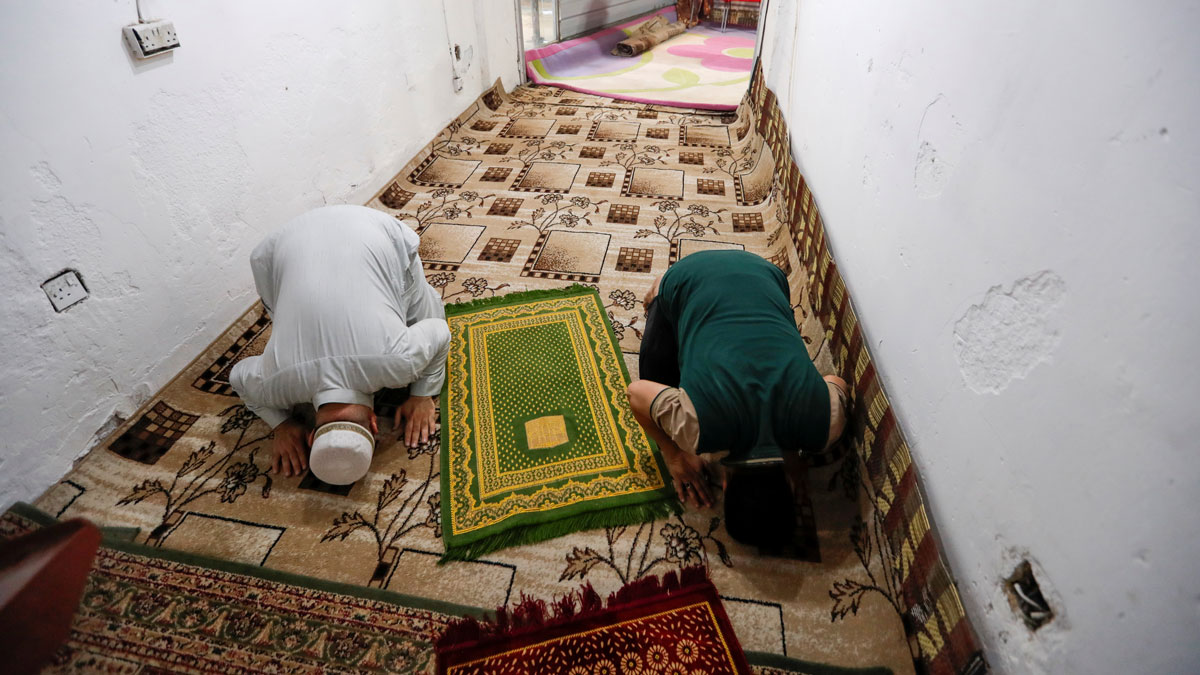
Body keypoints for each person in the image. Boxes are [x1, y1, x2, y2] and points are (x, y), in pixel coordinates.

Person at [626, 250, 848, 547]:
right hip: (690, 275)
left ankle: (671, 291)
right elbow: (636, 391)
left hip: (767, 275)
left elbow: (837, 382)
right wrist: (675, 455)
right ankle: (662, 288)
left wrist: (798, 440)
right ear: (726, 484)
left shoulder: (825, 424)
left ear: (792, 486)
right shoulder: (697, 429)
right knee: (655, 379)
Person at [229, 205, 450, 485]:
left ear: (373, 423)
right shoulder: (274, 384)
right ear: (310, 435)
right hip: (281, 244)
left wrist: (422, 394)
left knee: (429, 313)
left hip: (381, 230)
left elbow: (440, 330)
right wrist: (281, 424)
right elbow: (237, 376)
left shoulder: (399, 363)